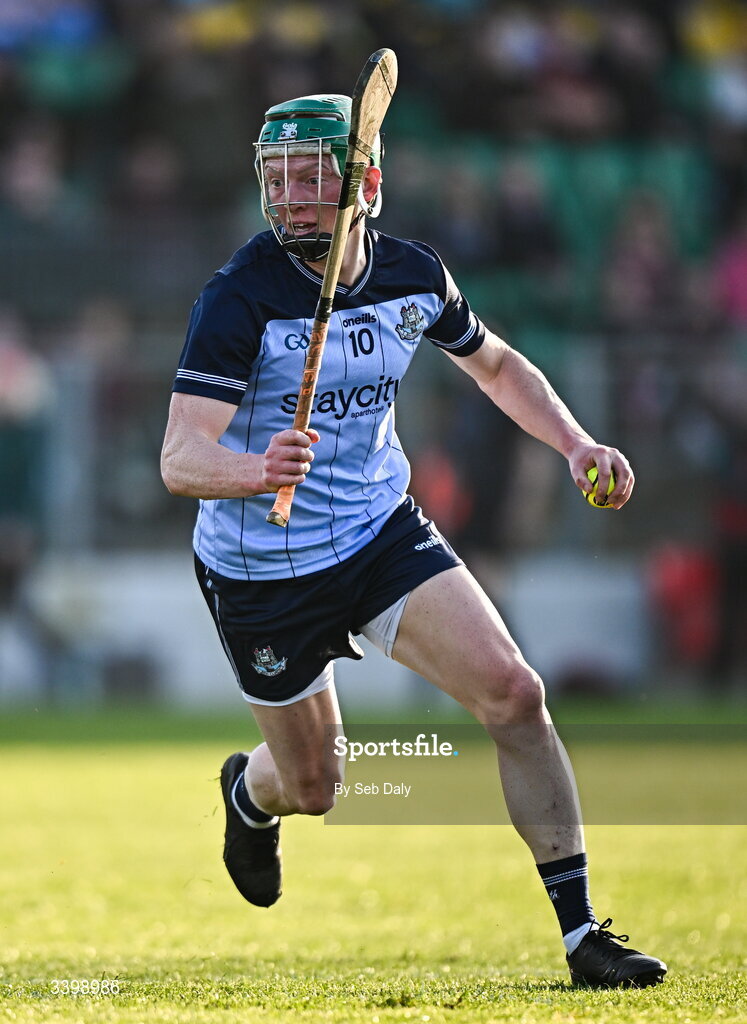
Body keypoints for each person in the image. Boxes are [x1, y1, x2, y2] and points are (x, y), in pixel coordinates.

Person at [160, 93, 666, 988]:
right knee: (316, 787)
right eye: (278, 181)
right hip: (259, 568)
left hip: (378, 533)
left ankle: (581, 933)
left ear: (368, 187)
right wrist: (255, 470)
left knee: (515, 693)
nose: (290, 202)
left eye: (313, 181)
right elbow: (179, 457)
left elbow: (496, 365)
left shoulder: (412, 276)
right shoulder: (237, 299)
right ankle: (250, 791)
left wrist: (577, 442)